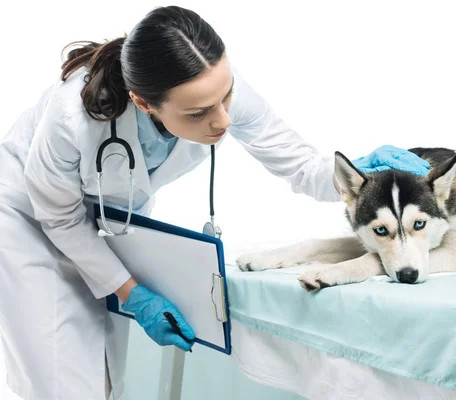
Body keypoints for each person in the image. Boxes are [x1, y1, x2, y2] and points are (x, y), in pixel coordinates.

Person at [0, 5, 430, 400]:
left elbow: (300, 167)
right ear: (142, 102)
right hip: (29, 220)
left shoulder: (217, 90)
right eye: (197, 113)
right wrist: (134, 295)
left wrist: (360, 173)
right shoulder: (70, 117)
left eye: (225, 98)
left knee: (104, 372)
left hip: (111, 218)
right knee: (59, 380)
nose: (223, 121)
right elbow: (59, 219)